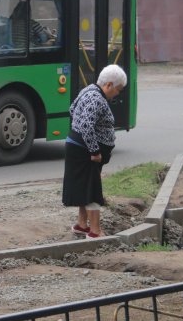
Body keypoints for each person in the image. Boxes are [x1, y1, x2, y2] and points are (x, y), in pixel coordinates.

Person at [62, 64, 127, 239]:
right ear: (109, 85)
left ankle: (82, 225)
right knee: (92, 190)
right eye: (118, 89)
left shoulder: (88, 89)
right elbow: (86, 125)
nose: (118, 94)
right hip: (85, 151)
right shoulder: (97, 99)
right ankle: (95, 232)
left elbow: (72, 110)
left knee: (84, 187)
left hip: (76, 146)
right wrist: (95, 151)